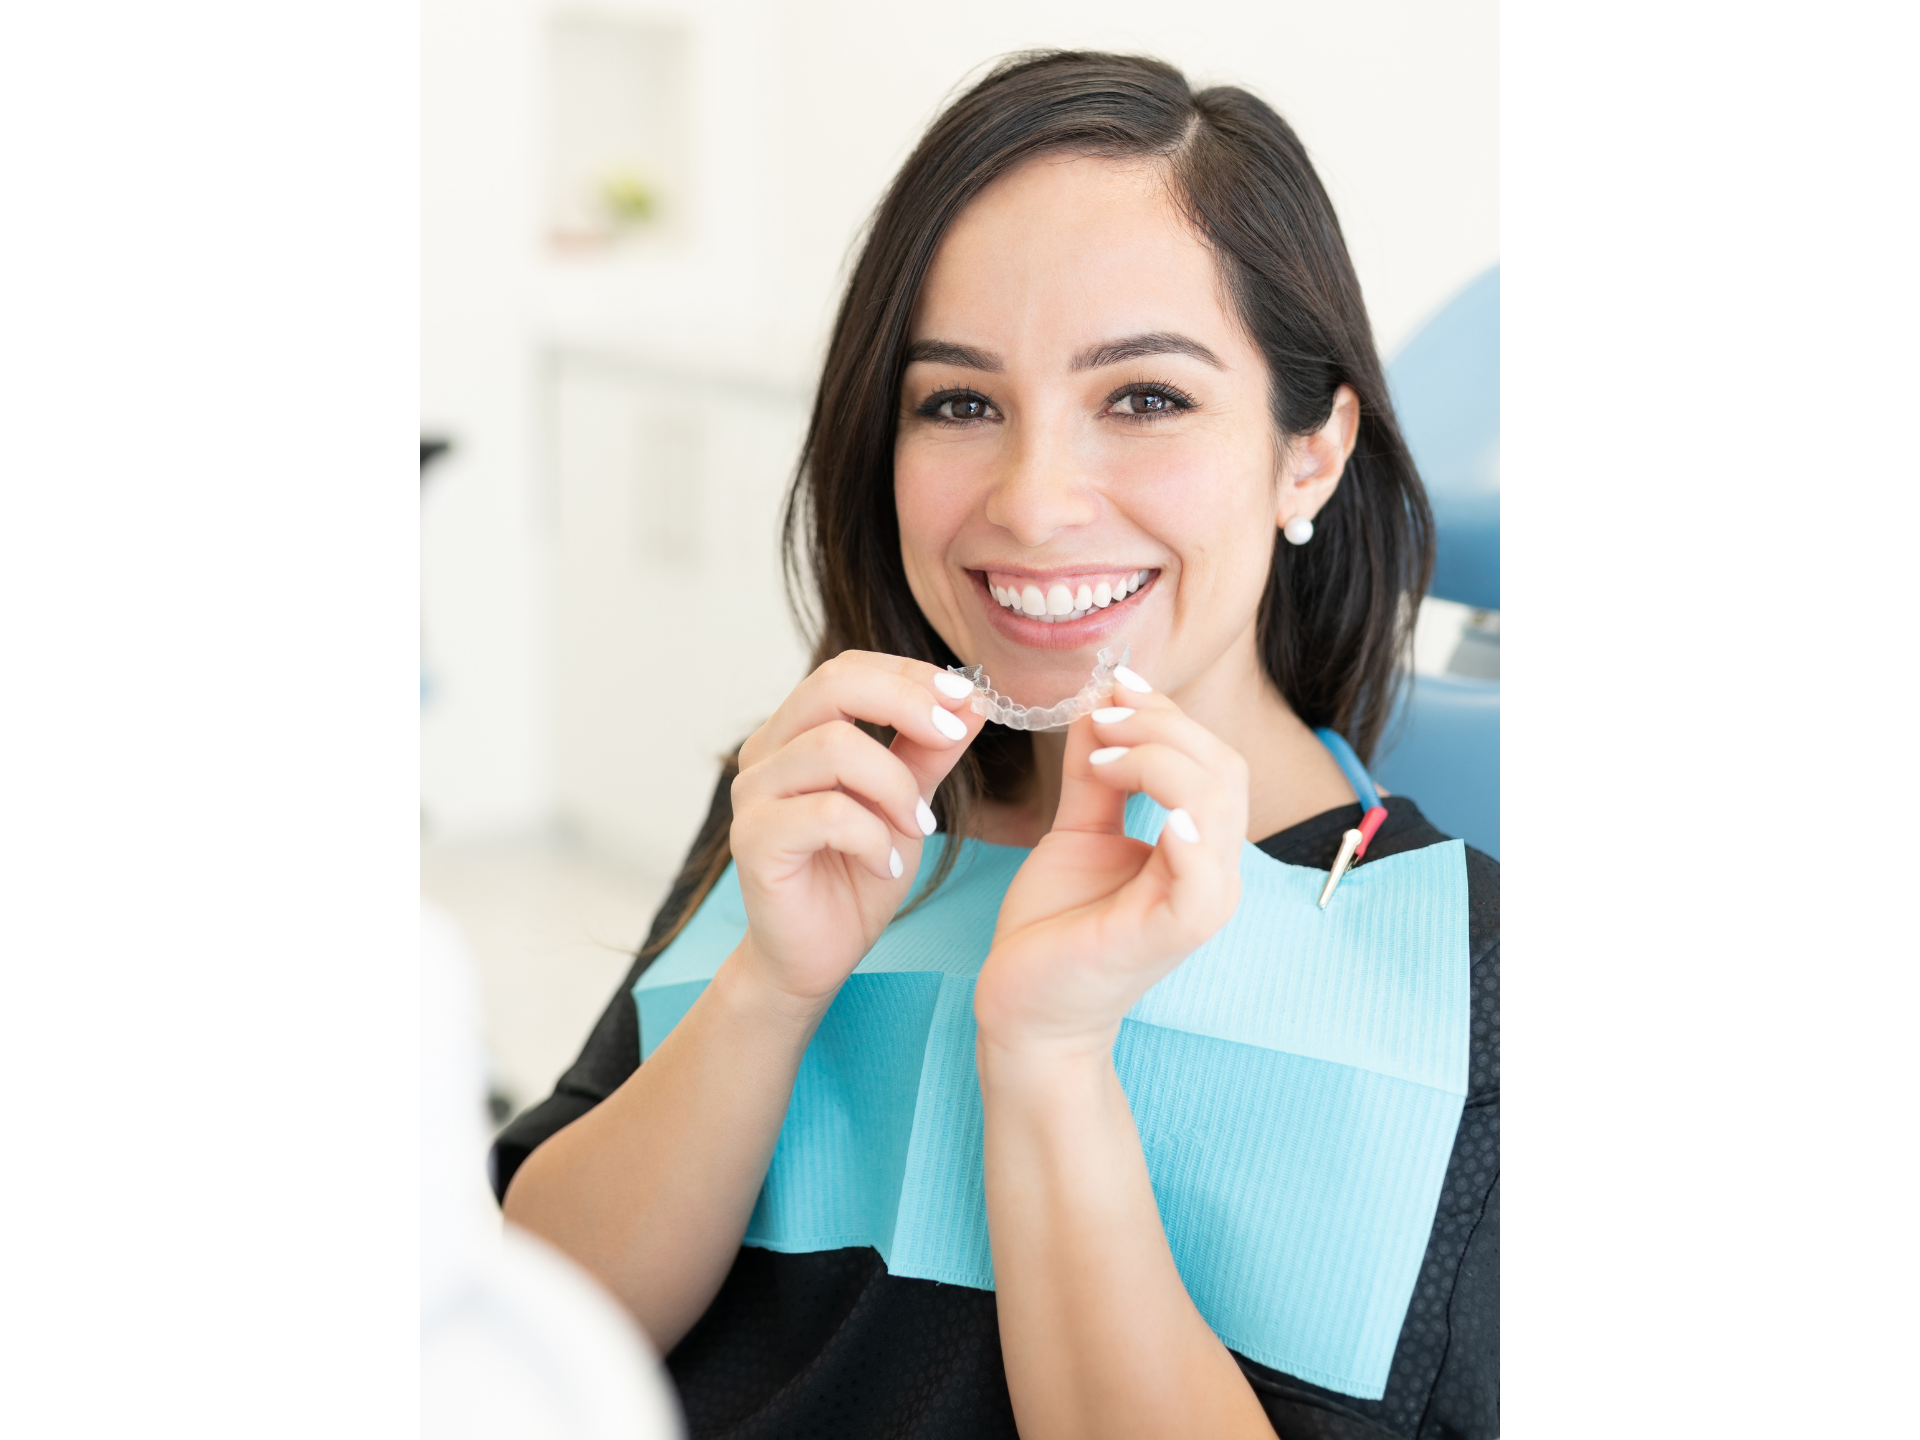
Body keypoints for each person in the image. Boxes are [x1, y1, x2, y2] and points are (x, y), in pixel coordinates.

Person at [495, 50, 1499, 1440]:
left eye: (1144, 398)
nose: (1032, 504)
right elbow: (516, 1339)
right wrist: (768, 990)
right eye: (960, 403)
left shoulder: (1461, 971)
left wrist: (1047, 1057)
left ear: (1309, 453)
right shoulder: (818, 801)